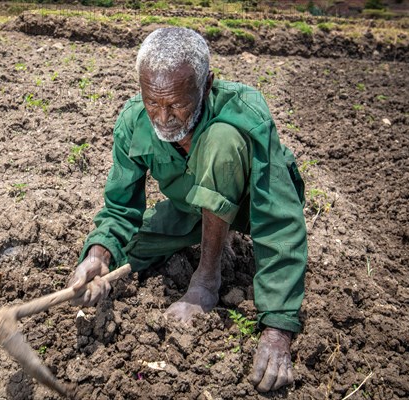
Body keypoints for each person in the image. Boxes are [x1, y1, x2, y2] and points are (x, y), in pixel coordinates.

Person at [67, 27, 307, 393]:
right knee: (125, 252)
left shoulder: (244, 111)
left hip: (248, 206)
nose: (163, 118)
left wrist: (278, 329)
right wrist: (99, 253)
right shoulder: (134, 121)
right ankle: (209, 233)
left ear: (206, 84)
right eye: (153, 102)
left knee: (222, 142)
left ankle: (208, 276)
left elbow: (278, 219)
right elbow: (120, 208)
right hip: (192, 207)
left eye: (177, 103)